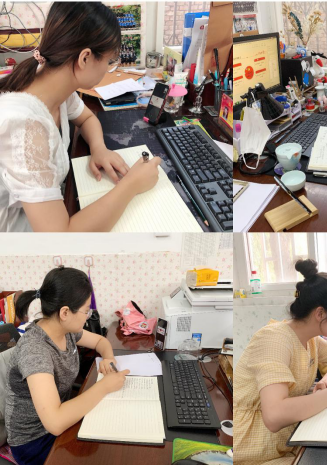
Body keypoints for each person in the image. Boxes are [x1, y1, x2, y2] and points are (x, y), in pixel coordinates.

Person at [0, 2, 161, 232]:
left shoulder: (55, 82)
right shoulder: (23, 126)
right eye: (109, 61)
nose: (108, 69)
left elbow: (86, 119)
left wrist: (99, 148)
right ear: (85, 58)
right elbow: (60, 237)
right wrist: (132, 184)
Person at [234, 259, 327, 465]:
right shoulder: (274, 340)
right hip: (255, 451)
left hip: (289, 440)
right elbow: (274, 416)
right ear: (320, 313)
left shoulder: (311, 340)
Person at [5, 267, 130, 465]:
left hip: (60, 418)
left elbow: (101, 341)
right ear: (65, 312)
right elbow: (55, 423)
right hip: (34, 441)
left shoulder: (66, 329)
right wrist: (105, 386)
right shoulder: (35, 351)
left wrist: (108, 358)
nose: (88, 316)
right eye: (86, 311)